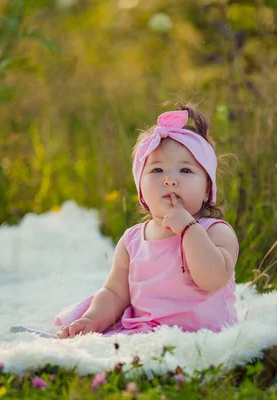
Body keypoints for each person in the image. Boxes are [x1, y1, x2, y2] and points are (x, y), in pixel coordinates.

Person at [55, 102, 239, 339]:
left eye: (185, 171)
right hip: (146, 335)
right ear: (140, 190)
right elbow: (115, 293)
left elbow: (211, 279)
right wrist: (92, 319)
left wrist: (189, 229)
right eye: (157, 170)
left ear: (207, 190)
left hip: (203, 336)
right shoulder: (133, 241)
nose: (170, 180)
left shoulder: (215, 232)